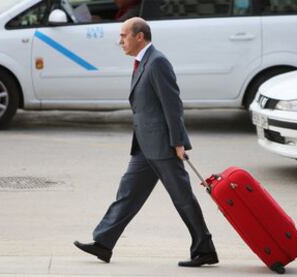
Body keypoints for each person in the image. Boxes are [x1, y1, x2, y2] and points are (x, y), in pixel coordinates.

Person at [74, 17, 218, 267]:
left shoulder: (158, 62)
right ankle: (103, 243)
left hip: (163, 146)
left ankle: (204, 249)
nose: (120, 41)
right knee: (127, 194)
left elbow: (172, 105)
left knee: (182, 198)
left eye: (123, 36)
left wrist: (178, 142)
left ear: (139, 36)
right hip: (144, 146)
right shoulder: (143, 62)